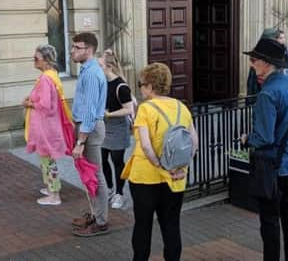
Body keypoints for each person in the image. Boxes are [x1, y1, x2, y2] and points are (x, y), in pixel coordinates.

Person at [121, 62, 198, 261]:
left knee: (143, 226)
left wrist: (158, 164)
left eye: (141, 84)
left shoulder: (146, 109)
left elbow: (146, 146)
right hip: (174, 178)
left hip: (146, 177)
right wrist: (181, 166)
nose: (140, 88)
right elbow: (193, 141)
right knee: (171, 226)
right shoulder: (181, 107)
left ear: (150, 86)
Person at [241, 38, 288, 261]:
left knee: (269, 221)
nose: (251, 64)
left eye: (254, 60)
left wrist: (247, 138)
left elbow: (264, 137)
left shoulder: (267, 94)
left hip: (271, 166)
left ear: (267, 63)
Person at [24, 44, 74, 206]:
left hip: (45, 127)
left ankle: (54, 194)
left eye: (36, 58)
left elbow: (45, 105)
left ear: (45, 60)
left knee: (47, 160)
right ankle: (51, 188)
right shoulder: (52, 75)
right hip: (49, 125)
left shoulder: (46, 78)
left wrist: (30, 103)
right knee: (46, 158)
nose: (34, 61)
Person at [69, 32, 109, 237]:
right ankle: (95, 214)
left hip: (89, 131)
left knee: (95, 175)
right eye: (73, 46)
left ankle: (101, 222)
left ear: (89, 50)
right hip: (85, 129)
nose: (72, 51)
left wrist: (80, 142)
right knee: (89, 174)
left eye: (77, 47)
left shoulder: (92, 74)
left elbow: (91, 112)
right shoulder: (87, 70)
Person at [99, 49, 133, 210]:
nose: (97, 68)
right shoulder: (102, 82)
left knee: (117, 161)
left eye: (100, 65)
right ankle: (110, 189)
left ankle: (120, 193)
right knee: (102, 159)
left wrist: (110, 114)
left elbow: (129, 110)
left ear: (109, 66)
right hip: (104, 126)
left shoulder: (121, 86)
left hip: (118, 127)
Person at [247, 28, 288, 99]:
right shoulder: (260, 50)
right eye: (279, 38)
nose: (282, 40)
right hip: (263, 89)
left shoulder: (282, 51)